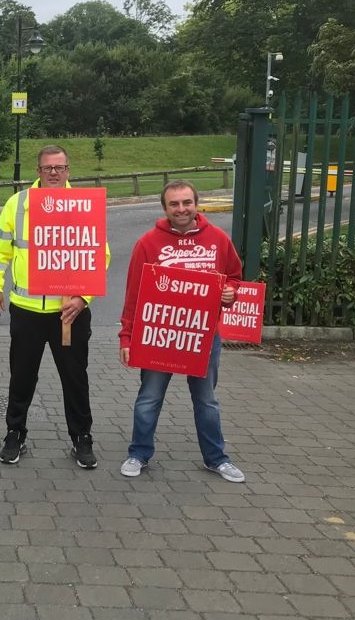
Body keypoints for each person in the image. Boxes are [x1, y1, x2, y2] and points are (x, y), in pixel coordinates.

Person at [0, 145, 110, 468]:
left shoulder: (83, 205)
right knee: (22, 377)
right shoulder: (19, 203)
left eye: (60, 167)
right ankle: (15, 433)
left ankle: (82, 438)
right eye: (47, 168)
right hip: (26, 311)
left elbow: (99, 255)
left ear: (69, 170)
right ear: (37, 172)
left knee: (75, 377)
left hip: (68, 312)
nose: (54, 172)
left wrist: (83, 298)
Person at [118, 180, 245, 483]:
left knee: (206, 400)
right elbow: (134, 295)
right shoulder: (148, 243)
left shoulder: (217, 239)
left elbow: (235, 278)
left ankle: (216, 459)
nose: (181, 209)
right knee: (149, 397)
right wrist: (127, 337)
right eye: (174, 204)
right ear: (165, 208)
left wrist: (231, 292)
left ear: (197, 204)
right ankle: (138, 453)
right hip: (158, 336)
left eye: (187, 202)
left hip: (203, 337)